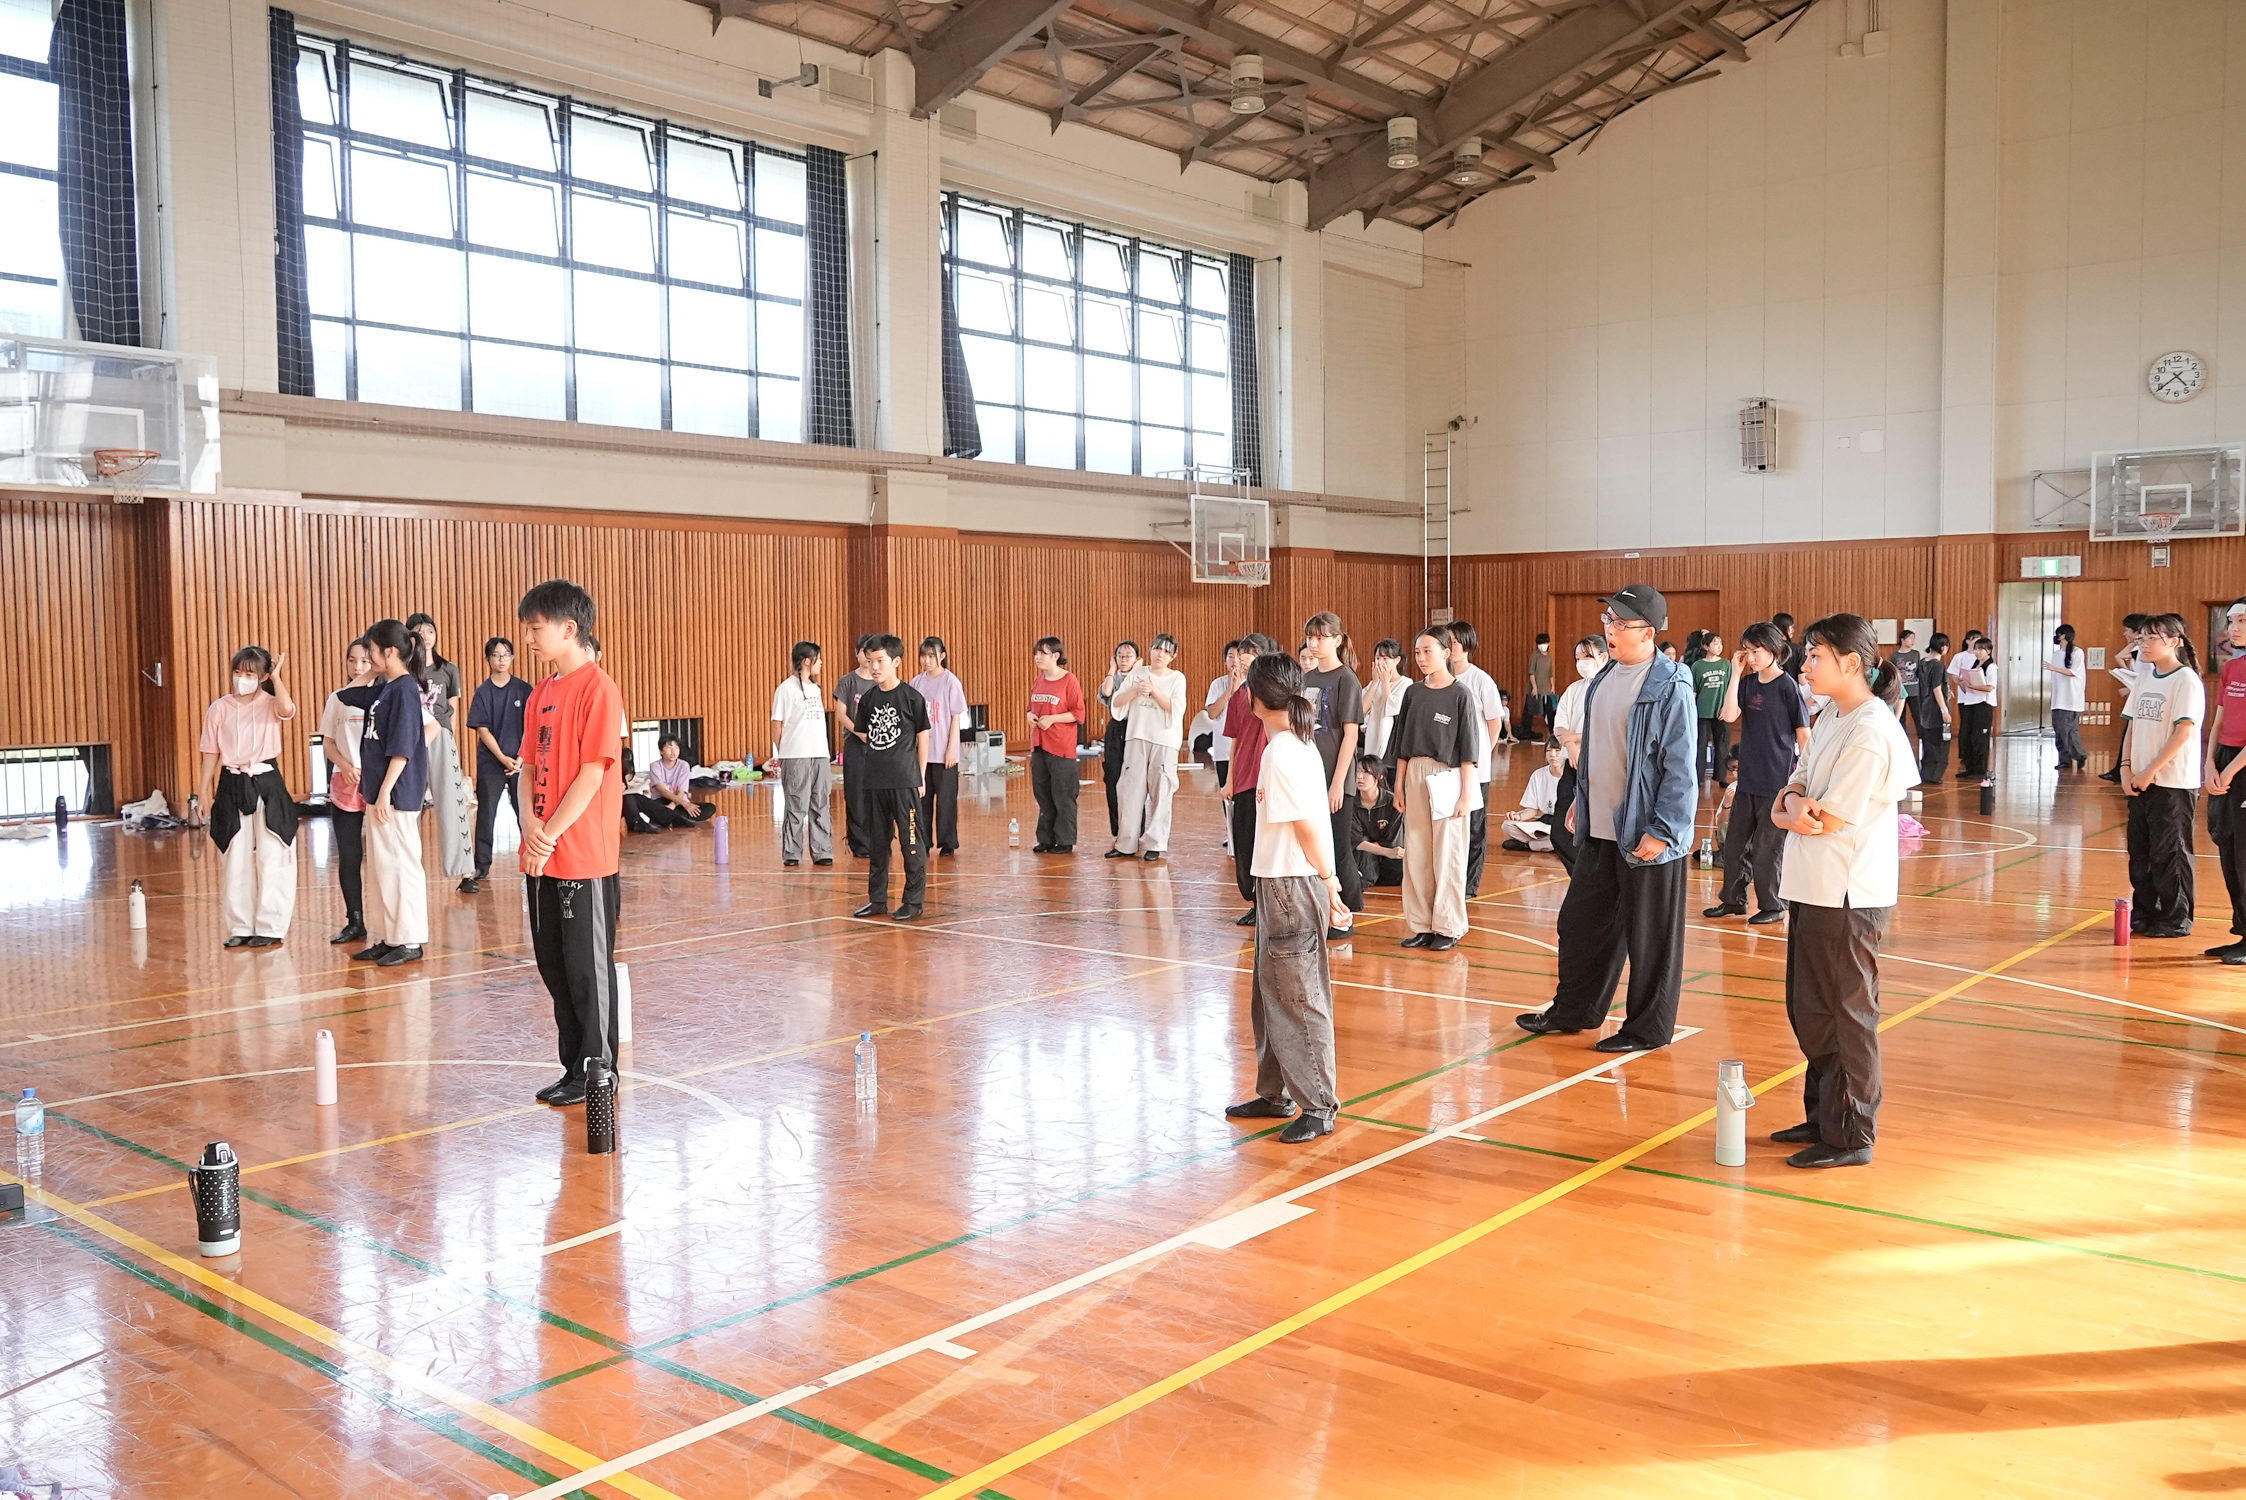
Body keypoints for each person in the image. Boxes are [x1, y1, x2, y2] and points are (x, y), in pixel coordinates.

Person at [1518, 585, 1697, 1051]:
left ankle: (1647, 1029)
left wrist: (1664, 828)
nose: (1610, 631)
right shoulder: (1602, 680)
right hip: (1599, 827)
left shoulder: (1671, 684)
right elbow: (1597, 753)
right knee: (1581, 923)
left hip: (1647, 832)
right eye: (1608, 622)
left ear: (1649, 632)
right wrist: (1581, 797)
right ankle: (1576, 1009)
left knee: (1650, 939)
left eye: (1620, 624)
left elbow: (1681, 766)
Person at [1767, 613, 1917, 1170]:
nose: (1805, 665)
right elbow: (1796, 786)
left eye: (1814, 656)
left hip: (1849, 895)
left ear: (1851, 664)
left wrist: (1788, 812)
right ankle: (1822, 1115)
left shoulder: (1873, 729)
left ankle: (1852, 1132)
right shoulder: (1830, 713)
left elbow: (1827, 818)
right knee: (1810, 1008)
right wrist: (1789, 805)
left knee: (1846, 1011)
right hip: (1811, 885)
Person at [1221, 650, 1347, 1145]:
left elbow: (1309, 827)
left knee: (1297, 997)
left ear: (1255, 698)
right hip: (1277, 884)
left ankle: (1318, 1103)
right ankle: (1276, 1094)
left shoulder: (1284, 753)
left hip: (1292, 886)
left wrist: (1330, 880)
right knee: (1269, 996)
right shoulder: (1289, 743)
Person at [517, 581, 625, 1106]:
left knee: (588, 967)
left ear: (568, 628)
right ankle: (573, 1068)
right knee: (553, 964)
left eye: (536, 629)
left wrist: (550, 834)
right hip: (541, 854)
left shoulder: (598, 689)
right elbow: (528, 769)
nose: (530, 638)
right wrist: (528, 827)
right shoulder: (539, 694)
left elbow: (590, 776)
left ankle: (599, 1069)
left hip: (583, 856)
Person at [197, 645, 299, 949]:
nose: (241, 678)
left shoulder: (270, 703)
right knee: (234, 856)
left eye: (250, 674)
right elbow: (210, 752)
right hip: (231, 782)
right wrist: (204, 791)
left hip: (267, 781)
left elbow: (287, 710)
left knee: (274, 854)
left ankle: (271, 926)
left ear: (262, 676)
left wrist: (277, 678)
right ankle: (240, 925)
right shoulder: (219, 708)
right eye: (238, 672)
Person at [1706, 621, 1809, 925]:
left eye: (1757, 651)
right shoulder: (1748, 684)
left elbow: (1803, 733)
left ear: (1774, 650)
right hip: (1748, 779)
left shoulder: (1788, 686)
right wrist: (1736, 675)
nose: (1750, 657)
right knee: (1736, 843)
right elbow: (1728, 715)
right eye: (1747, 651)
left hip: (1777, 780)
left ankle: (1773, 904)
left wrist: (1807, 777)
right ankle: (1733, 900)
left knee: (1767, 847)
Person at [1385, 627, 1477, 949]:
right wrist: (1399, 786)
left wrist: (1466, 794)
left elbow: (1469, 752)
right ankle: (1422, 923)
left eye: (1428, 651)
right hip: (1414, 774)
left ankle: (1448, 926)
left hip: (1447, 776)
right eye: (1418, 652)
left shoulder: (1460, 695)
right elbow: (1400, 745)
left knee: (1448, 853)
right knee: (1418, 852)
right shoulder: (1413, 693)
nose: (1422, 658)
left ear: (1446, 652)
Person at [354, 620, 430, 968]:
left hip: (397, 794)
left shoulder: (405, 690)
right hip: (379, 792)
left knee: (402, 866)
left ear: (390, 651)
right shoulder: (387, 687)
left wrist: (386, 791)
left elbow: (402, 748)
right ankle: (389, 935)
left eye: (371, 650)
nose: (366, 657)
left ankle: (410, 939)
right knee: (382, 868)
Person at [2121, 613, 2203, 939]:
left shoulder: (2186, 681)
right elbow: (2131, 725)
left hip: (2172, 783)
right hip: (2140, 780)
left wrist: (2150, 770)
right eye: (2141, 638)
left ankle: (2175, 918)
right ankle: (2144, 912)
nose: (2144, 644)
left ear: (2174, 641)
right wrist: (2127, 768)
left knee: (2170, 854)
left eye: (2152, 638)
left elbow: (2184, 732)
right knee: (2140, 853)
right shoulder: (2143, 679)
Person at [851, 634, 932, 921]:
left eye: (880, 661)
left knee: (911, 841)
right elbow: (863, 733)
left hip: (904, 781)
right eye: (870, 661)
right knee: (878, 845)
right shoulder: (869, 699)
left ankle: (913, 900)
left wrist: (919, 776)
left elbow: (924, 738)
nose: (874, 667)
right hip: (875, 781)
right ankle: (877, 900)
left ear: (896, 662)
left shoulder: (912, 697)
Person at [1301, 612, 1366, 926]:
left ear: (1337, 640)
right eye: (1310, 637)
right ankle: (1324, 907)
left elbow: (1350, 733)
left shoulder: (1346, 679)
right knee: (1317, 847)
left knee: (1339, 848)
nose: (1314, 643)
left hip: (1336, 778)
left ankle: (1348, 908)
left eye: (1321, 637)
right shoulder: (1308, 678)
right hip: (1311, 775)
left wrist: (1338, 783)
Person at [1111, 632, 1186, 860]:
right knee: (1129, 790)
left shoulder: (1177, 678)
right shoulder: (1137, 673)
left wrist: (1154, 691)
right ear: (1150, 650)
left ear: (1172, 656)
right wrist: (1136, 690)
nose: (1159, 654)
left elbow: (1175, 709)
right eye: (1156, 649)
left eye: (1165, 651)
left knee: (1161, 791)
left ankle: (1155, 843)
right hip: (1136, 738)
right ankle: (1126, 843)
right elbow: (1117, 702)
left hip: (1164, 741)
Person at [318, 639, 374, 944]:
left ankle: (388, 924)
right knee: (350, 857)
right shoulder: (338, 699)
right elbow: (328, 742)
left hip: (378, 784)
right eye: (352, 661)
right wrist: (345, 765)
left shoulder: (384, 695)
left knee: (383, 858)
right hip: (345, 782)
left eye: (364, 661)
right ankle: (355, 920)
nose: (357, 668)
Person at [1222, 632, 1281, 924]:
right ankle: (1254, 902)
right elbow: (1234, 741)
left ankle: (1268, 905)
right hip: (1244, 780)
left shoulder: (1275, 694)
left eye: (1250, 657)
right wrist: (1230, 780)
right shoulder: (1238, 697)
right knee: (1244, 846)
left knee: (1266, 846)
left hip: (1268, 781)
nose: (1243, 662)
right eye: (1241, 657)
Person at [462, 637, 528, 893]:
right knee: (487, 813)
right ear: (488, 659)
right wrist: (503, 758)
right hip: (492, 762)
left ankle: (530, 856)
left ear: (512, 657)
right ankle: (481, 864)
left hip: (521, 762)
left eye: (506, 654)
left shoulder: (524, 690)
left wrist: (520, 758)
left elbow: (531, 727)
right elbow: (482, 729)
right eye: (496, 655)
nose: (501, 659)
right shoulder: (483, 692)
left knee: (524, 812)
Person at [1446, 621, 1505, 897]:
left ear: (1467, 644)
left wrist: (1482, 754)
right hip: (1446, 768)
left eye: (1456, 641)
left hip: (1475, 770)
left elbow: (1495, 723)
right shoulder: (1440, 678)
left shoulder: (1481, 680)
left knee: (1475, 829)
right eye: (1448, 641)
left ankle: (1469, 885)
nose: (1452, 646)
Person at [2202, 600, 2246, 962]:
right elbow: (2218, 721)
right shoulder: (2232, 668)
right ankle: (2242, 930)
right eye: (2231, 621)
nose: (2234, 628)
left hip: (2242, 767)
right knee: (2228, 846)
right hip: (2225, 760)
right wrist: (2210, 764)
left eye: (2242, 620)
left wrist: (2231, 772)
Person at [771, 640, 834, 868]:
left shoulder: (816, 689)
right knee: (796, 804)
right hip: (795, 755)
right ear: (806, 661)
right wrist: (784, 752)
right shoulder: (785, 689)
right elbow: (777, 724)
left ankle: (822, 850)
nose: (822, 663)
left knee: (821, 802)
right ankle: (792, 852)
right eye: (818, 659)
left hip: (820, 754)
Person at [1548, 635, 1608, 873]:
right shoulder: (1574, 689)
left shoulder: (1610, 687)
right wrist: (1571, 746)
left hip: (1599, 768)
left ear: (1603, 657)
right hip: (1573, 767)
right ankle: (1583, 881)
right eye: (1578, 657)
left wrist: (1576, 738)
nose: (1582, 662)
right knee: (1560, 833)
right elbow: (1559, 725)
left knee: (1594, 833)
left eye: (1588, 656)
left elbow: (1605, 728)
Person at [1027, 636, 1086, 853]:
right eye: (1036, 653)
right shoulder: (1039, 680)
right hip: (1039, 745)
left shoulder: (1069, 681)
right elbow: (1030, 707)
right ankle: (1046, 838)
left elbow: (1078, 713)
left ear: (1055, 656)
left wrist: (1053, 719)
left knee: (1063, 794)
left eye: (1042, 653)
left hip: (1061, 746)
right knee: (1042, 792)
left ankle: (1065, 840)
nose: (1037, 657)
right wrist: (1031, 716)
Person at [911, 636, 968, 857]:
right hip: (922, 754)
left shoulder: (950, 682)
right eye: (923, 656)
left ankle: (948, 842)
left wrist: (951, 748)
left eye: (931, 656)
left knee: (946, 802)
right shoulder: (916, 682)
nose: (926, 660)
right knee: (921, 801)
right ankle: (923, 841)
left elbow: (956, 718)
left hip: (944, 753)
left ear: (942, 656)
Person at [834, 637, 879, 858]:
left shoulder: (880, 680)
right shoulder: (848, 681)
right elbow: (841, 713)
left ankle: (880, 840)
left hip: (879, 744)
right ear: (857, 653)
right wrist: (858, 731)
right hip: (855, 742)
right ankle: (859, 844)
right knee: (855, 795)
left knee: (878, 794)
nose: (868, 657)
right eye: (864, 652)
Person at [1097, 641, 1142, 838]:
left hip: (1136, 728)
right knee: (1113, 778)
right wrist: (1111, 669)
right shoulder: (1113, 679)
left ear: (1137, 659)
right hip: (1116, 728)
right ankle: (1118, 829)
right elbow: (1106, 693)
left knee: (1136, 780)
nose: (1124, 659)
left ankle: (1136, 829)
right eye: (1120, 656)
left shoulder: (1143, 678)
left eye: (1128, 655)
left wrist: (1136, 673)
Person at [2102, 614, 2151, 783]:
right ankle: (2121, 771)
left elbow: (2148, 676)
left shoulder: (2144, 653)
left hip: (2143, 699)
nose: (2125, 634)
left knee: (2133, 737)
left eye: (2127, 631)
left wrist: (2131, 684)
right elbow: (2119, 656)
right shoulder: (2137, 649)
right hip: (2137, 697)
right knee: (2128, 735)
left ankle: (2129, 772)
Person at [624, 736, 712, 829]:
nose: (673, 751)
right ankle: (676, 818)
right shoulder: (655, 766)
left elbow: (681, 791)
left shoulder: (684, 765)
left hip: (680, 802)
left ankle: (670, 817)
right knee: (652, 806)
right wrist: (679, 805)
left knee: (710, 808)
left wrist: (674, 806)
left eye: (676, 747)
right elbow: (662, 790)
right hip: (661, 801)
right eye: (669, 747)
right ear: (661, 751)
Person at [1501, 739, 1566, 853]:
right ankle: (1547, 845)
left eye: (1557, 750)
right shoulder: (1538, 775)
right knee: (1507, 825)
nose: (1553, 755)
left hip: (1564, 825)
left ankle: (1528, 846)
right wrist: (1518, 817)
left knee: (1565, 837)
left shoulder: (1572, 777)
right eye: (1549, 750)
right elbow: (1532, 810)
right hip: (1546, 823)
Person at [1349, 755, 1405, 888]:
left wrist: (1385, 851)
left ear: (1379, 776)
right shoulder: (1351, 802)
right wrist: (1386, 852)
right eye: (1357, 772)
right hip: (1363, 854)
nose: (1360, 777)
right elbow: (1355, 841)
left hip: (1388, 856)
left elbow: (1394, 841)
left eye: (1366, 772)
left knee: (1399, 867)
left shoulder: (1393, 802)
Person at [1690, 630, 1732, 786]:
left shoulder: (1726, 664)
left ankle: (1721, 777)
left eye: (1720, 643)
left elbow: (1730, 688)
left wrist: (1726, 707)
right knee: (1700, 744)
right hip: (1702, 712)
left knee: (1722, 744)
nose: (1719, 646)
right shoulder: (1697, 666)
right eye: (1715, 643)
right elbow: (1694, 690)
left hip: (1721, 712)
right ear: (1706, 646)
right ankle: (1698, 777)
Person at [1952, 632, 1997, 778]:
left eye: (1980, 649)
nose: (1977, 652)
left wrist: (1972, 685)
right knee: (1970, 735)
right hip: (1971, 702)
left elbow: (1990, 687)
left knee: (1980, 736)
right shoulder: (1975, 664)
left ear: (1988, 651)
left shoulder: (1991, 667)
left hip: (1983, 703)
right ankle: (1970, 767)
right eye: (1976, 649)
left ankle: (1980, 769)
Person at [2045, 623, 2088, 771]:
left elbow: (2073, 672)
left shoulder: (2077, 652)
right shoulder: (2056, 655)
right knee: (2058, 730)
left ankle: (2080, 754)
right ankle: (2064, 759)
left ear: (2063, 636)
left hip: (2071, 700)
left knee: (2068, 730)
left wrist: (2054, 668)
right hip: (2058, 699)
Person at [1913, 633, 1954, 785]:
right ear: (1944, 647)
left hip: (1923, 707)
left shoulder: (1923, 662)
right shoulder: (1938, 665)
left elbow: (1925, 683)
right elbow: (1936, 688)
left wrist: (1946, 691)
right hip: (1935, 709)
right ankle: (1935, 774)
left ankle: (1926, 773)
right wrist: (1944, 710)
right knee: (1941, 743)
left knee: (1928, 742)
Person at [1206, 641, 1244, 792]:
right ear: (1225, 660)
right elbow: (1212, 713)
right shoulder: (1217, 684)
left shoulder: (1252, 683)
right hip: (1222, 751)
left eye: (1238, 656)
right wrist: (1230, 689)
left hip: (1243, 750)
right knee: (1226, 796)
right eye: (1230, 656)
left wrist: (1238, 688)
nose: (1234, 660)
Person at [1362, 638, 1408, 760]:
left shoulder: (1405, 683)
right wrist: (1375, 682)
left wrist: (1385, 682)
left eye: (1385, 659)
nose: (1380, 663)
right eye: (1378, 658)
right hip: (1372, 739)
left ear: (1397, 660)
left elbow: (1393, 709)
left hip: (1392, 747)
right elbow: (1361, 711)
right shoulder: (1374, 684)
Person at [1889, 629, 1924, 750]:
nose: (1912, 641)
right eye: (1910, 638)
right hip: (1900, 691)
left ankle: (1922, 739)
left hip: (1914, 690)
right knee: (1900, 716)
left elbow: (1919, 672)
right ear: (1902, 640)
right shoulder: (1895, 655)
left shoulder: (1916, 654)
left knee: (1918, 715)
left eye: (1913, 638)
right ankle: (1901, 739)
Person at [1524, 632, 1556, 739]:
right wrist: (1534, 687)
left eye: (1545, 643)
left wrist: (1552, 685)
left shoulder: (1549, 657)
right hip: (1535, 689)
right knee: (1530, 711)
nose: (1543, 645)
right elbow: (1531, 672)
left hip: (1545, 689)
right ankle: (1526, 731)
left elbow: (1550, 672)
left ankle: (1553, 732)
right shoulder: (1535, 655)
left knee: (1549, 711)